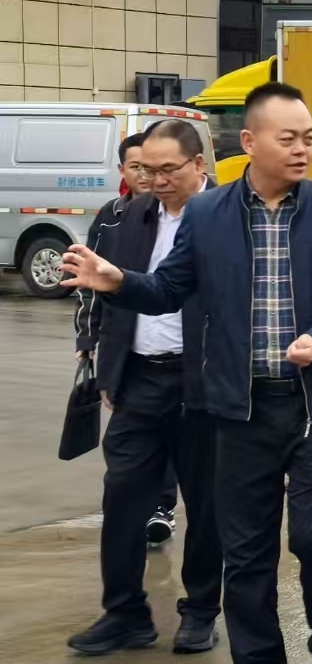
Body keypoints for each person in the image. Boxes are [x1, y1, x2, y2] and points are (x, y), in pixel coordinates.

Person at [62, 82, 312, 664]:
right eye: (289, 138)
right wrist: (118, 282)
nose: (303, 149)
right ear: (251, 143)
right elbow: (169, 288)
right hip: (238, 408)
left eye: (309, 137)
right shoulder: (208, 217)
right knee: (247, 550)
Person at [65, 120, 223, 658]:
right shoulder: (130, 216)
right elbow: (112, 294)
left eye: (167, 170)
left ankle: (200, 611)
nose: (155, 180)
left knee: (206, 504)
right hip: (140, 380)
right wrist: (110, 372)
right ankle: (125, 613)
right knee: (123, 495)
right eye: (146, 170)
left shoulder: (228, 216)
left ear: (198, 164)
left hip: (204, 382)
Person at [73, 131, 177, 550]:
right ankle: (127, 525)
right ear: (123, 170)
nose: (148, 176)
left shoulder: (192, 216)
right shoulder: (113, 217)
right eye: (139, 167)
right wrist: (88, 335)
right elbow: (91, 283)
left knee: (176, 440)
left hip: (179, 354)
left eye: (157, 168)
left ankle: (161, 507)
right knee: (128, 450)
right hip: (130, 352)